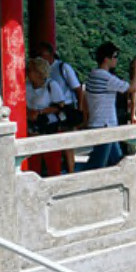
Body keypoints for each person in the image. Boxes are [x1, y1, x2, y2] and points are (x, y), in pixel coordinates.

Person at [82, 42, 136, 170]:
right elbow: (133, 88)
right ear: (106, 59)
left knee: (117, 162)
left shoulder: (93, 74)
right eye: (115, 56)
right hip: (105, 126)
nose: (116, 59)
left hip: (101, 124)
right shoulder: (105, 78)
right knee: (98, 165)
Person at [38, 42, 83, 174]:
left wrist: (79, 110)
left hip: (65, 108)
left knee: (67, 142)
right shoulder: (40, 71)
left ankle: (70, 171)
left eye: (42, 55)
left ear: (51, 54)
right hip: (48, 108)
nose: (41, 58)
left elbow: (78, 89)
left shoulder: (62, 67)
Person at [26, 57, 66, 176]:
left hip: (49, 126)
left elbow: (60, 106)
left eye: (30, 70)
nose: (27, 72)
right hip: (32, 126)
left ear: (39, 72)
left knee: (52, 161)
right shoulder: (26, 86)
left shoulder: (51, 85)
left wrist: (40, 112)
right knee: (33, 161)